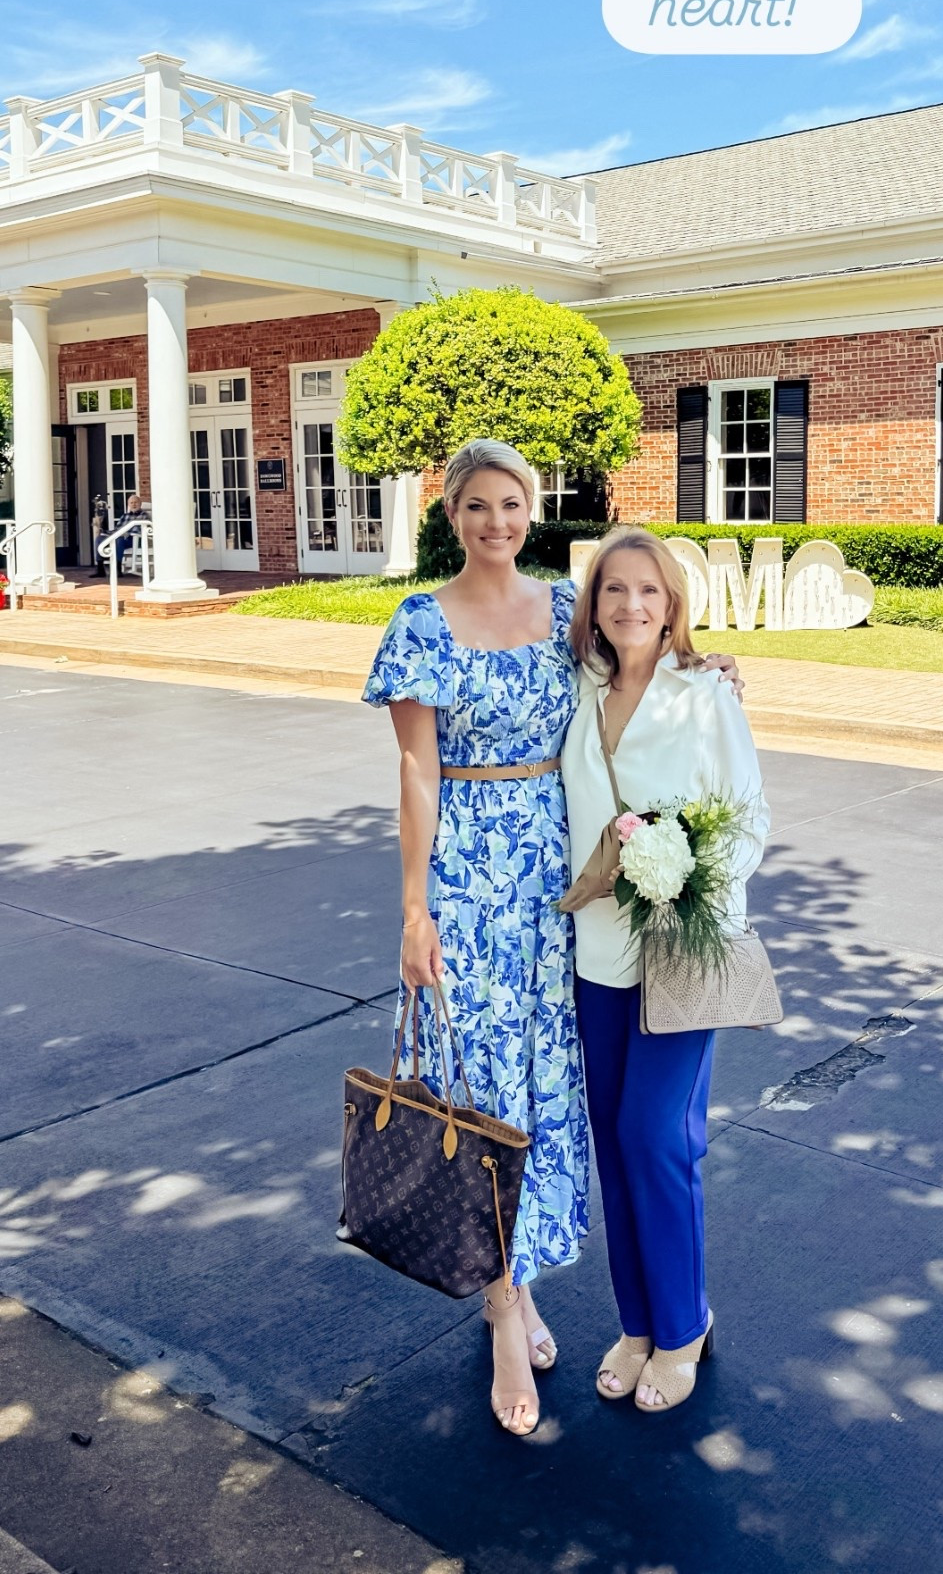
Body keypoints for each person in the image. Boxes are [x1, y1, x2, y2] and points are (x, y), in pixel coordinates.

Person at [363, 441, 743, 1439]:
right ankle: (500, 1312)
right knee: (483, 1095)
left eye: (514, 503)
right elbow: (415, 775)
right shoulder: (419, 623)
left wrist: (709, 663)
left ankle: (534, 1283)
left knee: (548, 1093)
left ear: (532, 511)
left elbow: (638, 662)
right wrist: (413, 907)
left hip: (568, 897)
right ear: (450, 513)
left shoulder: (557, 617)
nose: (498, 520)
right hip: (473, 892)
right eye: (479, 504)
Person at [563, 528, 770, 1414]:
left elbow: (752, 819)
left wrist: (684, 871)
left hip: (683, 949)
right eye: (614, 590)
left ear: (673, 603)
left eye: (649, 591)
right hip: (599, 953)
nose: (631, 606)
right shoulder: (575, 685)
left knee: (658, 1136)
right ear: (594, 603)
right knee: (612, 1142)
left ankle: (685, 1327)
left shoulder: (705, 696)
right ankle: (638, 1323)